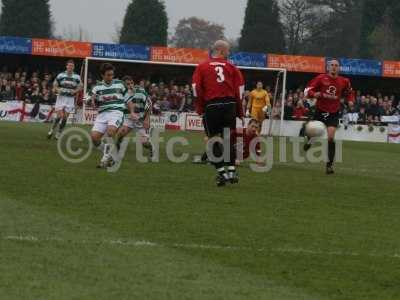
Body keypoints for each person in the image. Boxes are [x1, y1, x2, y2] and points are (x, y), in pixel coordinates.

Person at [192, 40, 244, 186]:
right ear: (221, 51)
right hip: (229, 105)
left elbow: (196, 88)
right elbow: (239, 91)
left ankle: (222, 174)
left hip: (212, 105)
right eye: (228, 51)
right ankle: (232, 171)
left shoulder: (202, 67)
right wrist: (240, 111)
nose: (229, 54)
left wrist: (200, 107)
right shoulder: (232, 67)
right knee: (228, 138)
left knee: (212, 140)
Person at [304, 59, 354, 174]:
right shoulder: (321, 78)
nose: (334, 67)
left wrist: (351, 100)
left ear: (339, 68)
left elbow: (350, 92)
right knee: (313, 133)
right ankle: (310, 141)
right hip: (320, 111)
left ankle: (329, 165)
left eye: (336, 65)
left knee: (331, 137)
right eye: (332, 65)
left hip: (333, 112)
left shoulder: (344, 81)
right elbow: (308, 90)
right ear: (328, 67)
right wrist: (314, 94)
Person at [89, 63, 126, 168]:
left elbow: (128, 97)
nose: (111, 77)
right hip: (102, 113)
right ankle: (109, 151)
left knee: (110, 132)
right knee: (94, 138)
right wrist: (91, 101)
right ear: (102, 75)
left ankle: (105, 159)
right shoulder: (97, 87)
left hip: (116, 112)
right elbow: (90, 98)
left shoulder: (120, 84)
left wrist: (131, 111)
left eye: (112, 74)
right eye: (108, 75)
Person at [115, 85, 154, 161]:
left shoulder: (141, 93)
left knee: (144, 143)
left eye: (130, 83)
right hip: (128, 119)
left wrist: (146, 119)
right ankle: (118, 145)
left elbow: (149, 105)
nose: (129, 85)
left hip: (140, 120)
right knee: (121, 132)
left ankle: (152, 149)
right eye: (126, 84)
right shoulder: (122, 94)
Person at [48, 60, 82, 139]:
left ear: (73, 67)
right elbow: (55, 84)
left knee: (65, 118)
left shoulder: (77, 76)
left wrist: (75, 90)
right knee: (59, 116)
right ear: (66, 66)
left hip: (70, 99)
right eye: (69, 65)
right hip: (61, 98)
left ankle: (59, 133)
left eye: (72, 66)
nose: (70, 67)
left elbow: (80, 86)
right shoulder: (61, 75)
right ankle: (51, 130)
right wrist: (56, 89)